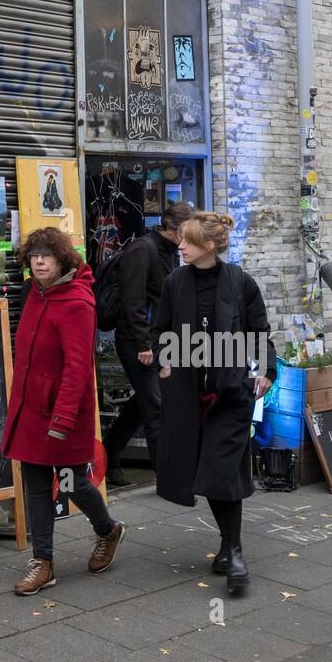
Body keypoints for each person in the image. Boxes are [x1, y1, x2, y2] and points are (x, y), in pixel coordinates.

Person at [151, 210, 276, 594]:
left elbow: (259, 332)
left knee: (223, 472)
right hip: (189, 397)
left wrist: (266, 371)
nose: (180, 245)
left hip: (230, 394)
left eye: (186, 241)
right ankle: (226, 546)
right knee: (201, 472)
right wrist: (164, 358)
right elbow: (161, 330)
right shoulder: (175, 282)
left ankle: (234, 552)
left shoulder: (241, 283)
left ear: (208, 246)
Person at [1, 227, 125, 594]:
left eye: (47, 256)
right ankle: (43, 562)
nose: (39, 261)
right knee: (36, 485)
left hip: (63, 413)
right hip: (30, 409)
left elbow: (77, 368)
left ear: (62, 260)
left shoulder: (77, 303)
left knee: (72, 483)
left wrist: (64, 417)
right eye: (34, 256)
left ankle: (108, 529)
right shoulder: (34, 294)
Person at [103, 201, 194, 487]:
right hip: (136, 342)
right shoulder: (143, 250)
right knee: (156, 405)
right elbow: (133, 302)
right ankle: (167, 477)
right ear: (173, 228)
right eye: (189, 231)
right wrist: (144, 344)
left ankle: (108, 455)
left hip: (159, 341)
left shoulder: (169, 252)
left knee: (144, 402)